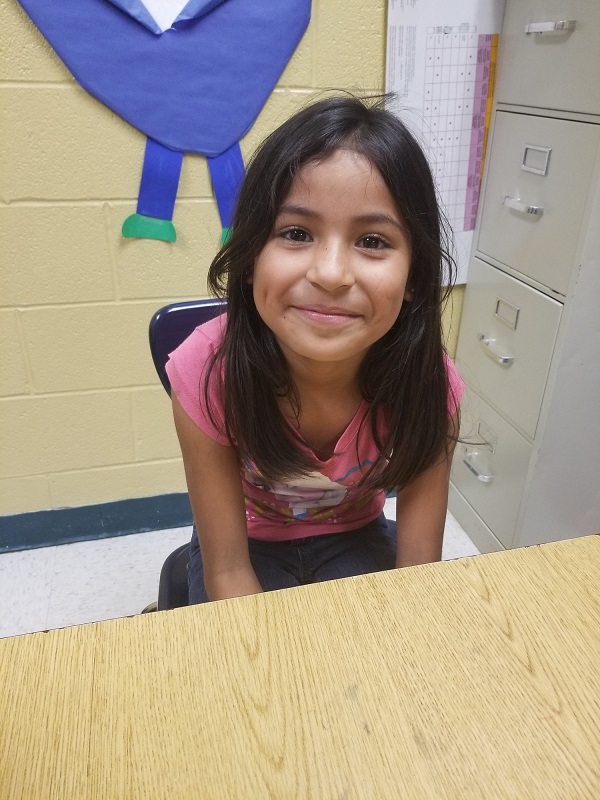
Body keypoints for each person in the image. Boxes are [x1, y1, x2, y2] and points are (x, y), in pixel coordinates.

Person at [166, 95, 464, 603]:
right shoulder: (205, 371)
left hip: (356, 537)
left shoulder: (431, 385)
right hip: (248, 545)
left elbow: (419, 579)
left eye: (372, 241)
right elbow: (229, 570)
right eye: (296, 233)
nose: (330, 274)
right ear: (252, 254)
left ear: (414, 276)